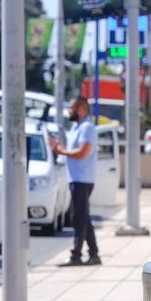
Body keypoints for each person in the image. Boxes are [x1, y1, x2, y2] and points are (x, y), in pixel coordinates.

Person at [49, 97, 101, 267]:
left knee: (78, 218)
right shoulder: (77, 127)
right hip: (77, 178)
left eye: (71, 109)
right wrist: (59, 148)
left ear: (81, 109)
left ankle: (76, 255)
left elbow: (82, 153)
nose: (69, 112)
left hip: (82, 179)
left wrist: (63, 151)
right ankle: (93, 254)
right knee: (83, 217)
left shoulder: (87, 128)